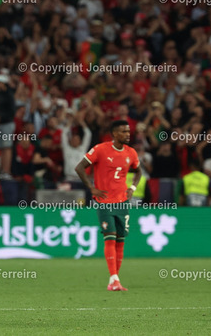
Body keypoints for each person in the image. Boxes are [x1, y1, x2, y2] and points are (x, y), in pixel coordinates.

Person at [75, 120, 141, 292]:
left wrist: (132, 188)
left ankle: (114, 280)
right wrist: (91, 188)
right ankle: (114, 279)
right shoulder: (100, 149)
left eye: (128, 131)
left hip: (122, 202)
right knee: (110, 237)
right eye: (124, 131)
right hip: (104, 202)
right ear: (114, 134)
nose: (128, 134)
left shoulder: (131, 152)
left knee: (120, 241)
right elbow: (79, 167)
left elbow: (138, 171)